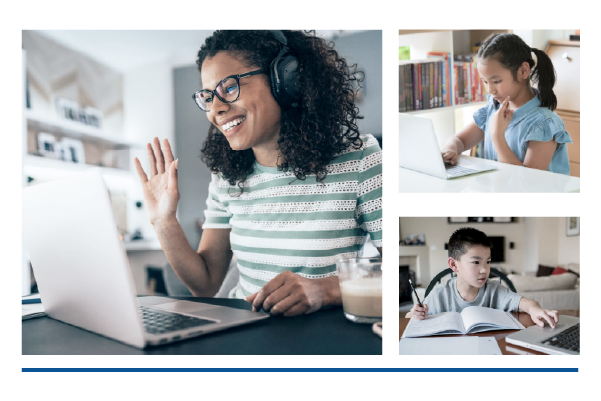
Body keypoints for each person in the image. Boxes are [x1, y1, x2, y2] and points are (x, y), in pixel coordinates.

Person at [134, 30, 383, 317]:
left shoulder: (361, 160)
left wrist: (326, 289)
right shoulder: (227, 177)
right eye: (207, 96)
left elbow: (402, 276)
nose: (216, 109)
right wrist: (163, 222)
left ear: (286, 80)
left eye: (229, 87)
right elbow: (205, 285)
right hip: (243, 331)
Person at [441, 33, 572, 175]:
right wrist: (450, 149)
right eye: (485, 81)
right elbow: (459, 140)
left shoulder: (544, 123)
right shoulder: (493, 108)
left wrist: (497, 135)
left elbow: (528, 183)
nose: (490, 90)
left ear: (523, 71)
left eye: (496, 81)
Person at [406, 228, 558, 328]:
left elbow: (526, 302)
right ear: (454, 264)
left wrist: (534, 308)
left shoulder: (494, 290)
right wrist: (415, 314)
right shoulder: (439, 293)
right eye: (476, 262)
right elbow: (408, 317)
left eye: (488, 261)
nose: (485, 269)